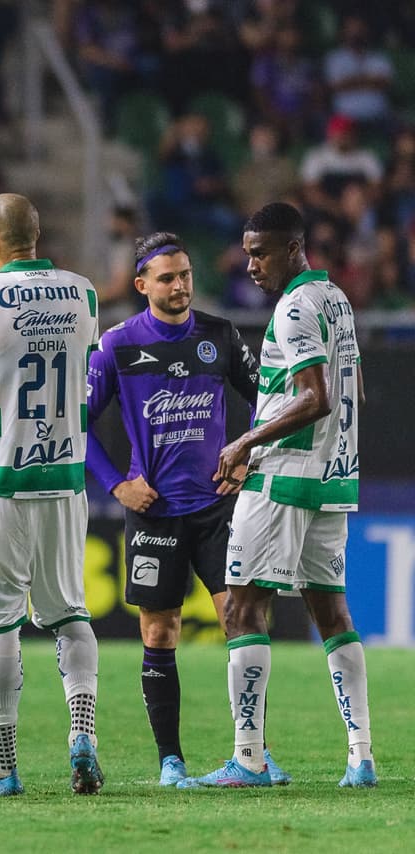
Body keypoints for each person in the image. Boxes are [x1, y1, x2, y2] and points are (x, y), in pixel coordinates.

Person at [85, 231, 290, 786]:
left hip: (217, 509)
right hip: (153, 513)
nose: (180, 286)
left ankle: (253, 752)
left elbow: (268, 401)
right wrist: (115, 486)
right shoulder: (118, 345)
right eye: (168, 278)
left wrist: (247, 453)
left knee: (239, 622)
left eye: (186, 275)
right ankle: (170, 761)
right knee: (160, 633)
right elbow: (74, 424)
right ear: (142, 285)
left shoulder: (219, 335)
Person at [183, 202, 376, 789]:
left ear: (293, 248)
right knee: (332, 612)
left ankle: (248, 758)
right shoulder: (335, 299)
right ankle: (361, 755)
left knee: (242, 607)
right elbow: (354, 392)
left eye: (260, 253)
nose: (251, 265)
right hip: (333, 477)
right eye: (246, 253)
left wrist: (246, 441)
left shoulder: (294, 308)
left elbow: (314, 397)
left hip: (284, 478)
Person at [0, 193, 102, 796]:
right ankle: (82, 734)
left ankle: (4, 766)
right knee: (69, 613)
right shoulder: (83, 293)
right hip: (63, 477)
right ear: (38, 235)